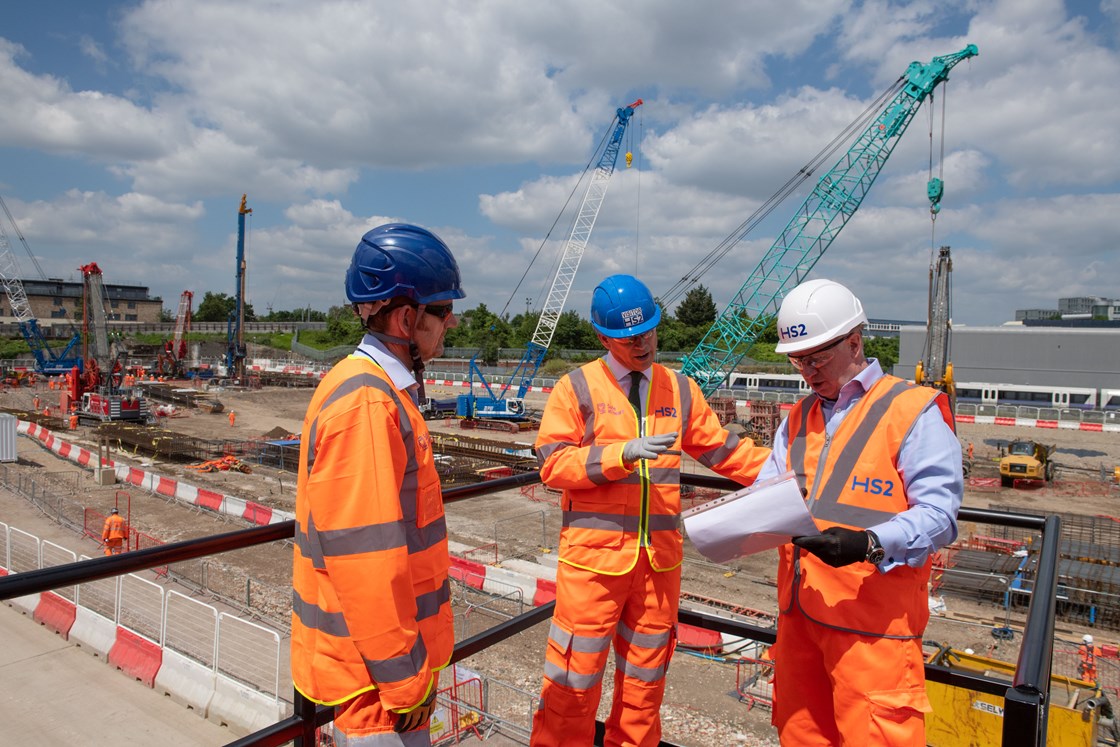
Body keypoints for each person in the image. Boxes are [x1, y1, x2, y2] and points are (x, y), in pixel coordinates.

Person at [530, 274, 770, 747]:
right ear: (603, 338)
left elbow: (725, 452)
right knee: (571, 687)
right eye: (628, 337)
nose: (642, 343)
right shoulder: (575, 388)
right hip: (594, 566)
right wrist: (621, 455)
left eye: (649, 332)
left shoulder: (678, 389)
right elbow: (553, 464)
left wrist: (801, 476)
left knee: (644, 691)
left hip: (658, 566)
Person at [756, 278, 962, 746]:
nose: (806, 370)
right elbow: (767, 490)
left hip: (873, 631)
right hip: (801, 621)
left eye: (816, 357)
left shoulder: (912, 411)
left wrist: (870, 543)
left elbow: (940, 515)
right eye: (797, 359)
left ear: (854, 341)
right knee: (800, 735)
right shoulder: (798, 417)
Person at [291, 223, 463, 745]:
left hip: (379, 672)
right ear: (408, 317)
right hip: (377, 688)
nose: (450, 322)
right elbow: (367, 560)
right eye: (442, 309)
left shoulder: (379, 390)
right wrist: (406, 684)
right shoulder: (367, 403)